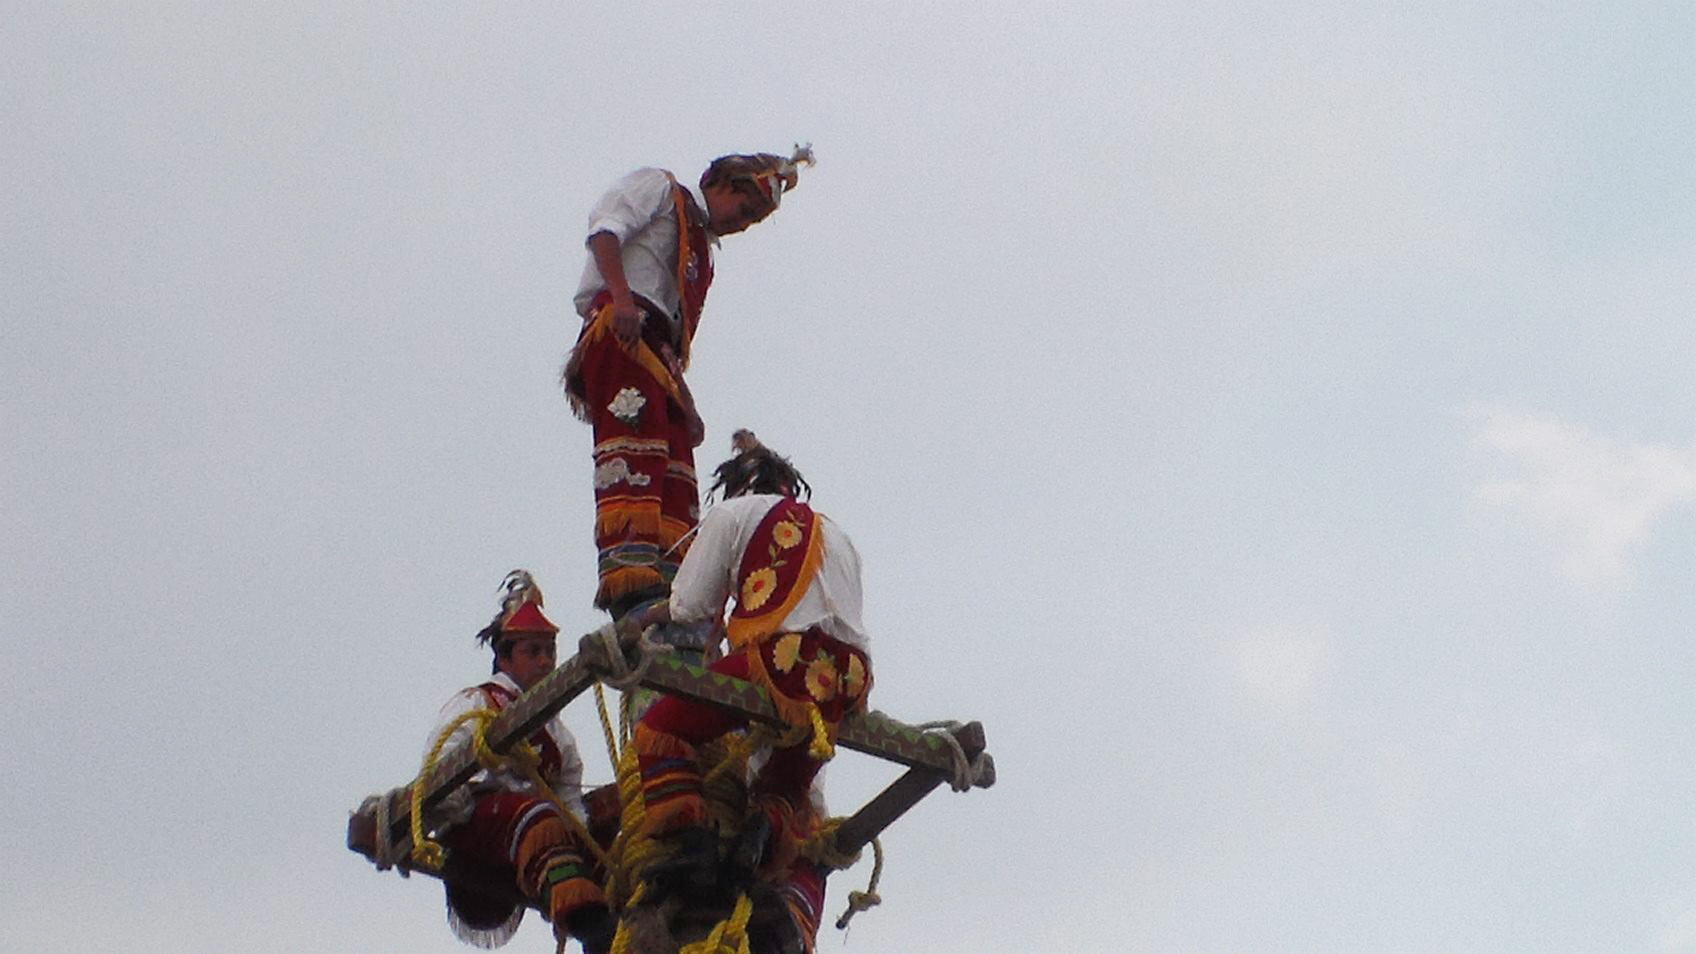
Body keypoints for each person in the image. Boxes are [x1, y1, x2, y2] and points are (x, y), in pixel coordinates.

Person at [623, 434, 871, 943]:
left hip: (784, 664)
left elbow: (688, 606)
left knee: (660, 732)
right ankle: (753, 846)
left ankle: (691, 850)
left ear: (736, 488)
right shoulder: (838, 534)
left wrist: (637, 623)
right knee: (782, 788)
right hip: (846, 683)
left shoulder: (732, 516)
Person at [562, 147, 815, 620]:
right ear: (722, 186)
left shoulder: (701, 249)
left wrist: (687, 401)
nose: (744, 224)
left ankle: (670, 585)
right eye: (746, 210)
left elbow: (675, 334)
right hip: (623, 330)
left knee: (676, 466)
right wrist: (619, 300)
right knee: (636, 448)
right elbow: (603, 229)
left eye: (755, 220)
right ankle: (629, 580)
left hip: (658, 352)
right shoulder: (659, 188)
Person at [425, 571, 615, 952]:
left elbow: (571, 799)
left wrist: (582, 839)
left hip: (532, 832)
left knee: (615, 811)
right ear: (504, 656)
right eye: (533, 652)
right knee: (539, 818)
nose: (546, 662)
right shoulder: (475, 705)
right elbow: (441, 781)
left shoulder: (559, 735)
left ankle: (614, 918)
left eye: (550, 652)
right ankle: (584, 918)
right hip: (476, 827)